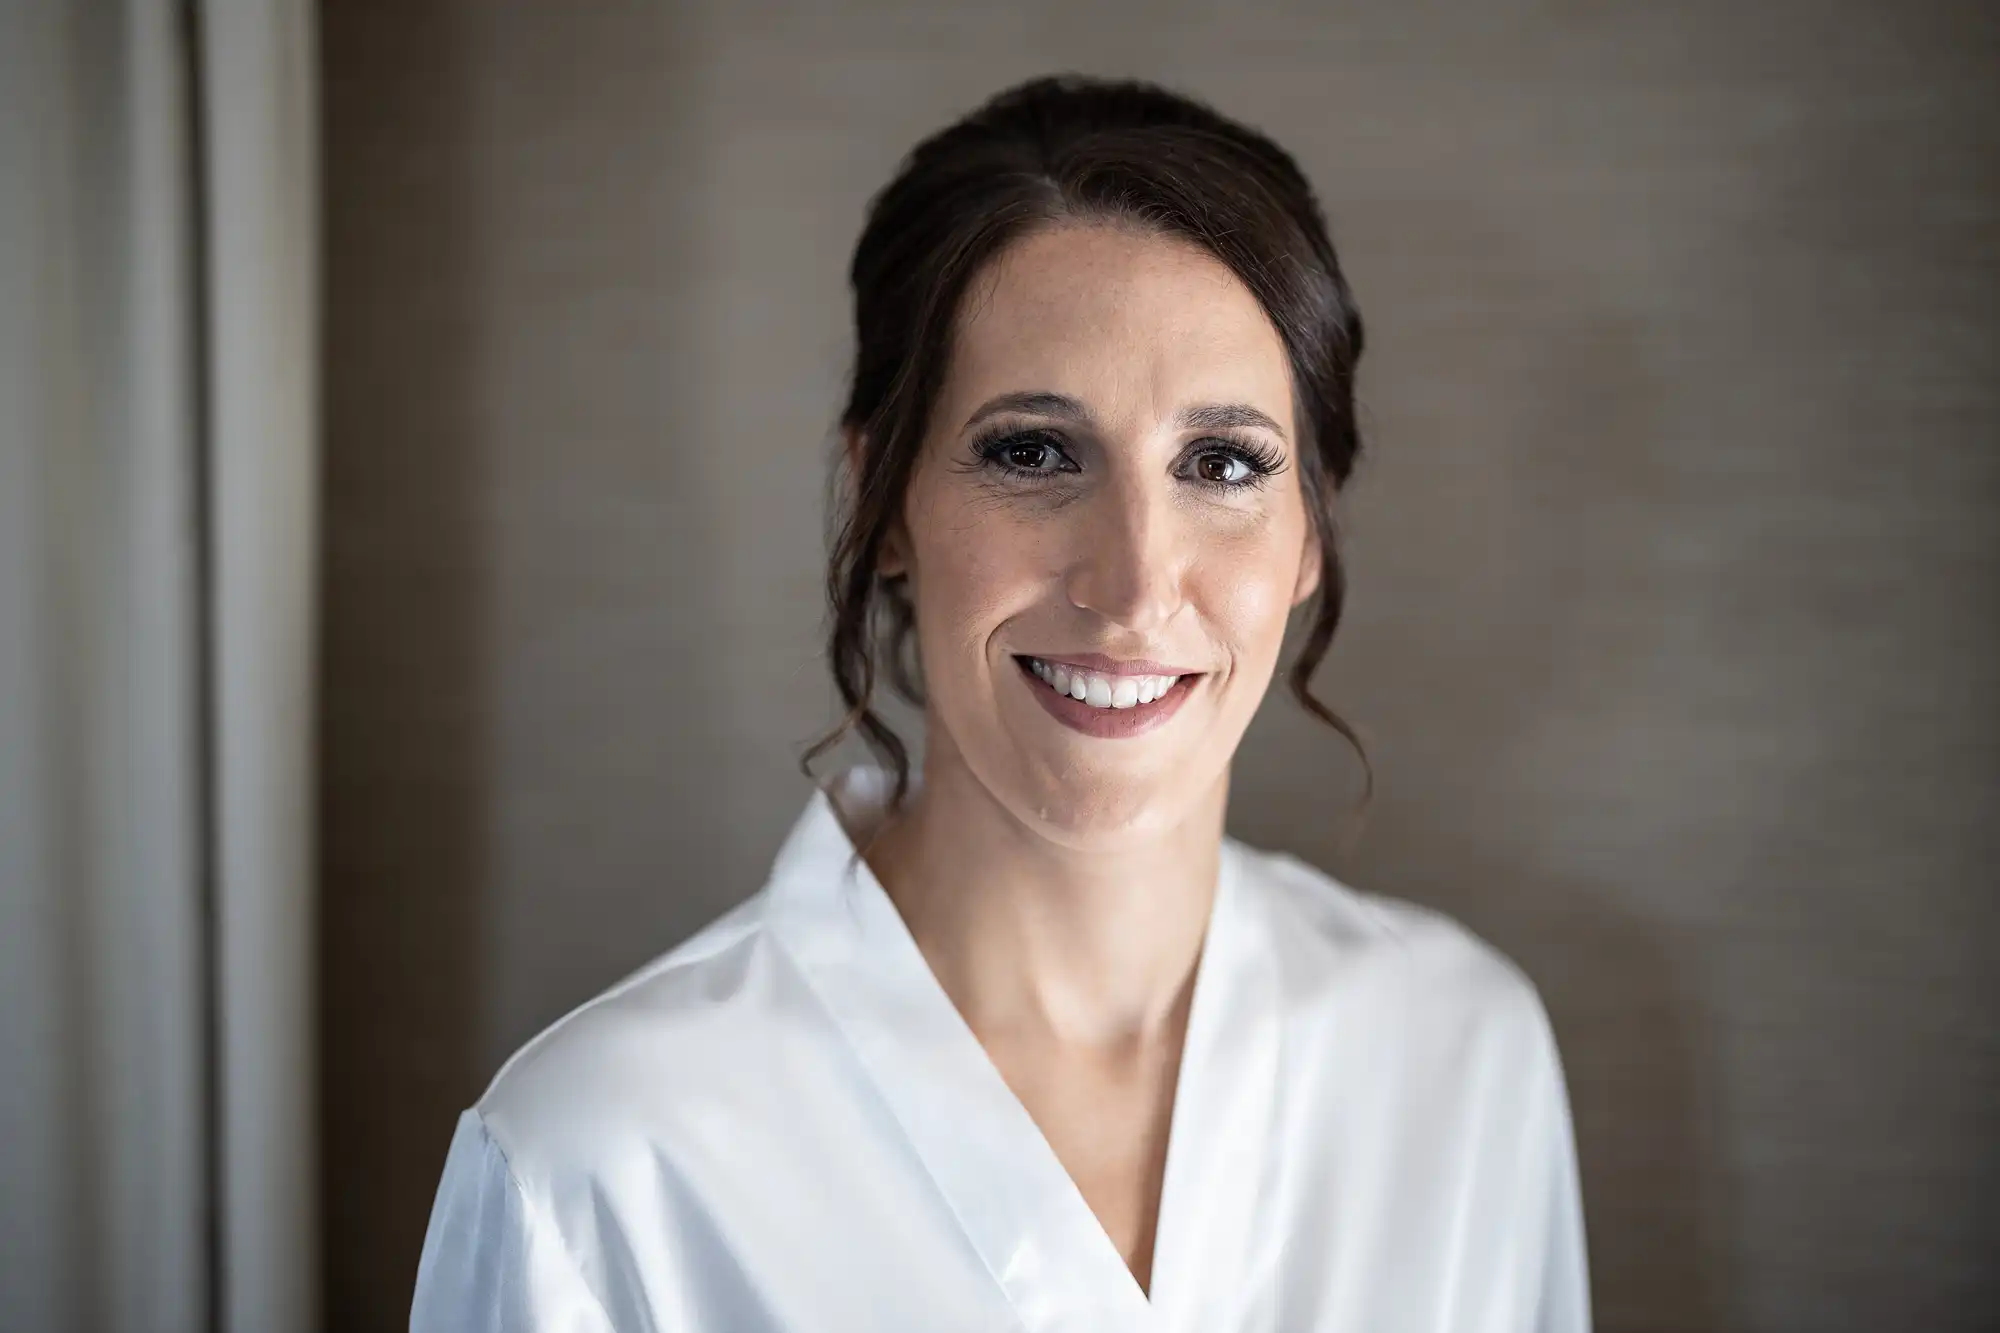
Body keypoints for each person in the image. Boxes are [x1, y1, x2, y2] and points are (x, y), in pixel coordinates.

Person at [410, 74, 1591, 1333]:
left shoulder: (1461, 1056)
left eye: (1222, 463)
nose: (1132, 589)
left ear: (1311, 528)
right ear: (885, 503)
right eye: (1032, 452)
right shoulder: (597, 1163)